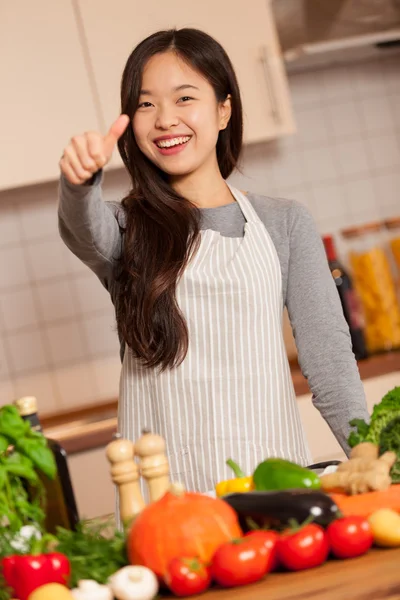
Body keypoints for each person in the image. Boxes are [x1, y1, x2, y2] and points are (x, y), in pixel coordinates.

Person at [58, 28, 369, 494]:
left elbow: (328, 359)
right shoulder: (124, 228)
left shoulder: (283, 223)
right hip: (168, 506)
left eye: (185, 98)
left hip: (271, 486)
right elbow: (80, 227)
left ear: (224, 109)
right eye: (146, 104)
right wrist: (80, 183)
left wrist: (371, 456)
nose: (165, 119)